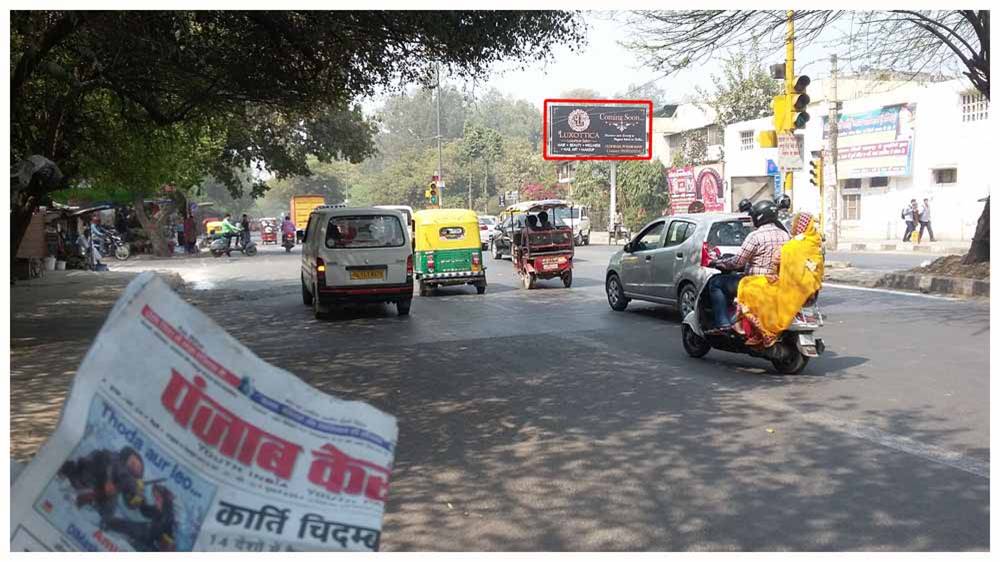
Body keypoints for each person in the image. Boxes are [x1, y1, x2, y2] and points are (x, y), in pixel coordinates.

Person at [733, 212, 825, 348]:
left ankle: (759, 331)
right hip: (809, 292)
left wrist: (772, 273)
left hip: (790, 289)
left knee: (747, 285)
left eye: (795, 224)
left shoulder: (792, 245)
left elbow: (777, 265)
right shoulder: (815, 244)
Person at [705, 199, 790, 334]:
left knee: (715, 283)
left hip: (755, 282)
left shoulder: (756, 236)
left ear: (759, 216)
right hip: (776, 283)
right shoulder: (785, 235)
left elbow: (737, 262)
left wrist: (716, 262)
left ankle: (723, 324)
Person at [58, 446, 146, 521]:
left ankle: (83, 502)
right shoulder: (115, 458)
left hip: (99, 493)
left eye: (138, 467)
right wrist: (109, 480)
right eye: (133, 463)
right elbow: (110, 460)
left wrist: (137, 497)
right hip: (92, 472)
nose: (135, 467)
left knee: (108, 512)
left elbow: (130, 503)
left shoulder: (132, 482)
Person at [103, 483, 177, 551]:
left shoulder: (167, 516)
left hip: (153, 544)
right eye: (155, 498)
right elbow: (145, 511)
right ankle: (108, 523)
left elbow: (151, 533)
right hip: (148, 537)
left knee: (128, 528)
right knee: (126, 527)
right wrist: (140, 496)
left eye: (158, 498)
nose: (156, 501)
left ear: (164, 499)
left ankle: (108, 523)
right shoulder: (158, 510)